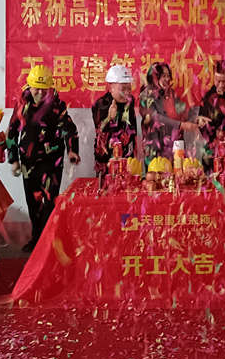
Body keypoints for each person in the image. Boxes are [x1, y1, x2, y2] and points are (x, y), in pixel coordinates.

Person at [7, 64, 80, 252]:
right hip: (28, 163)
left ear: (50, 88)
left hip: (51, 162)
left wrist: (72, 151)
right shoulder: (22, 105)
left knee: (49, 202)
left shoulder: (56, 106)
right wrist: (13, 159)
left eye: (44, 89)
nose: (40, 93)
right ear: (29, 86)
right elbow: (12, 132)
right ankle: (36, 240)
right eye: (36, 88)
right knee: (33, 203)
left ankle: (48, 242)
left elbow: (69, 130)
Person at [139, 62, 199, 166]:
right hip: (154, 148)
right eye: (163, 76)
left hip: (173, 147)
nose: (167, 79)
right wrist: (180, 125)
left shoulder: (171, 93)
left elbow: (182, 113)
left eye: (168, 76)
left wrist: (196, 114)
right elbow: (155, 117)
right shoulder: (145, 95)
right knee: (156, 173)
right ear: (154, 77)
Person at [91, 64, 137, 177]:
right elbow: (100, 131)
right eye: (123, 88)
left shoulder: (130, 101)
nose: (127, 92)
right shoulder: (101, 104)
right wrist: (109, 118)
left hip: (127, 157)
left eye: (129, 88)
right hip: (107, 158)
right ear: (111, 87)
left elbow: (132, 127)